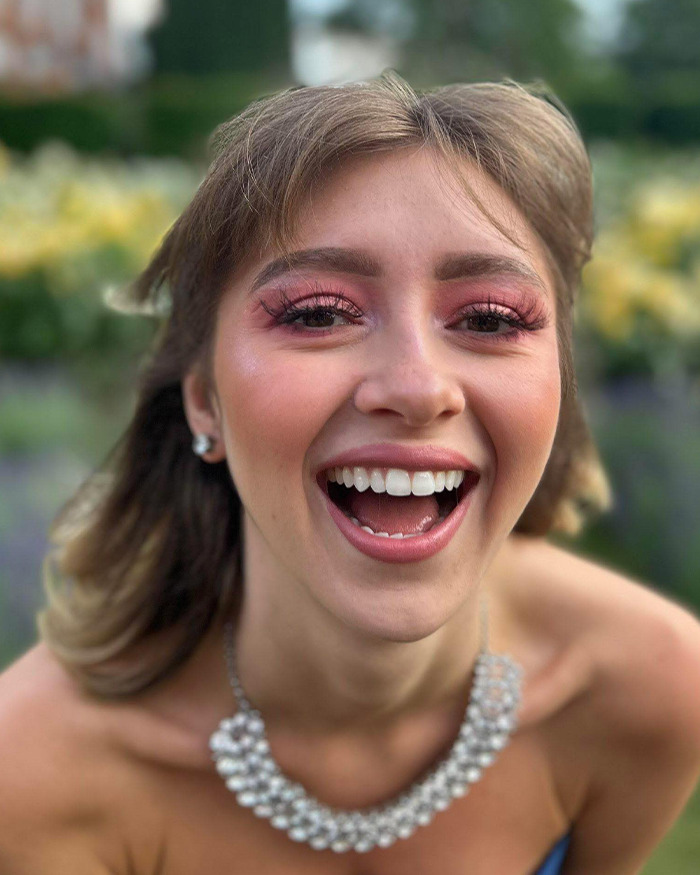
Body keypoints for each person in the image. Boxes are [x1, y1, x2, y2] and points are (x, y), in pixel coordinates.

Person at [1, 70, 700, 875]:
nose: (415, 387)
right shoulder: (34, 778)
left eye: (488, 318)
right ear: (205, 403)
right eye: (319, 313)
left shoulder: (643, 694)